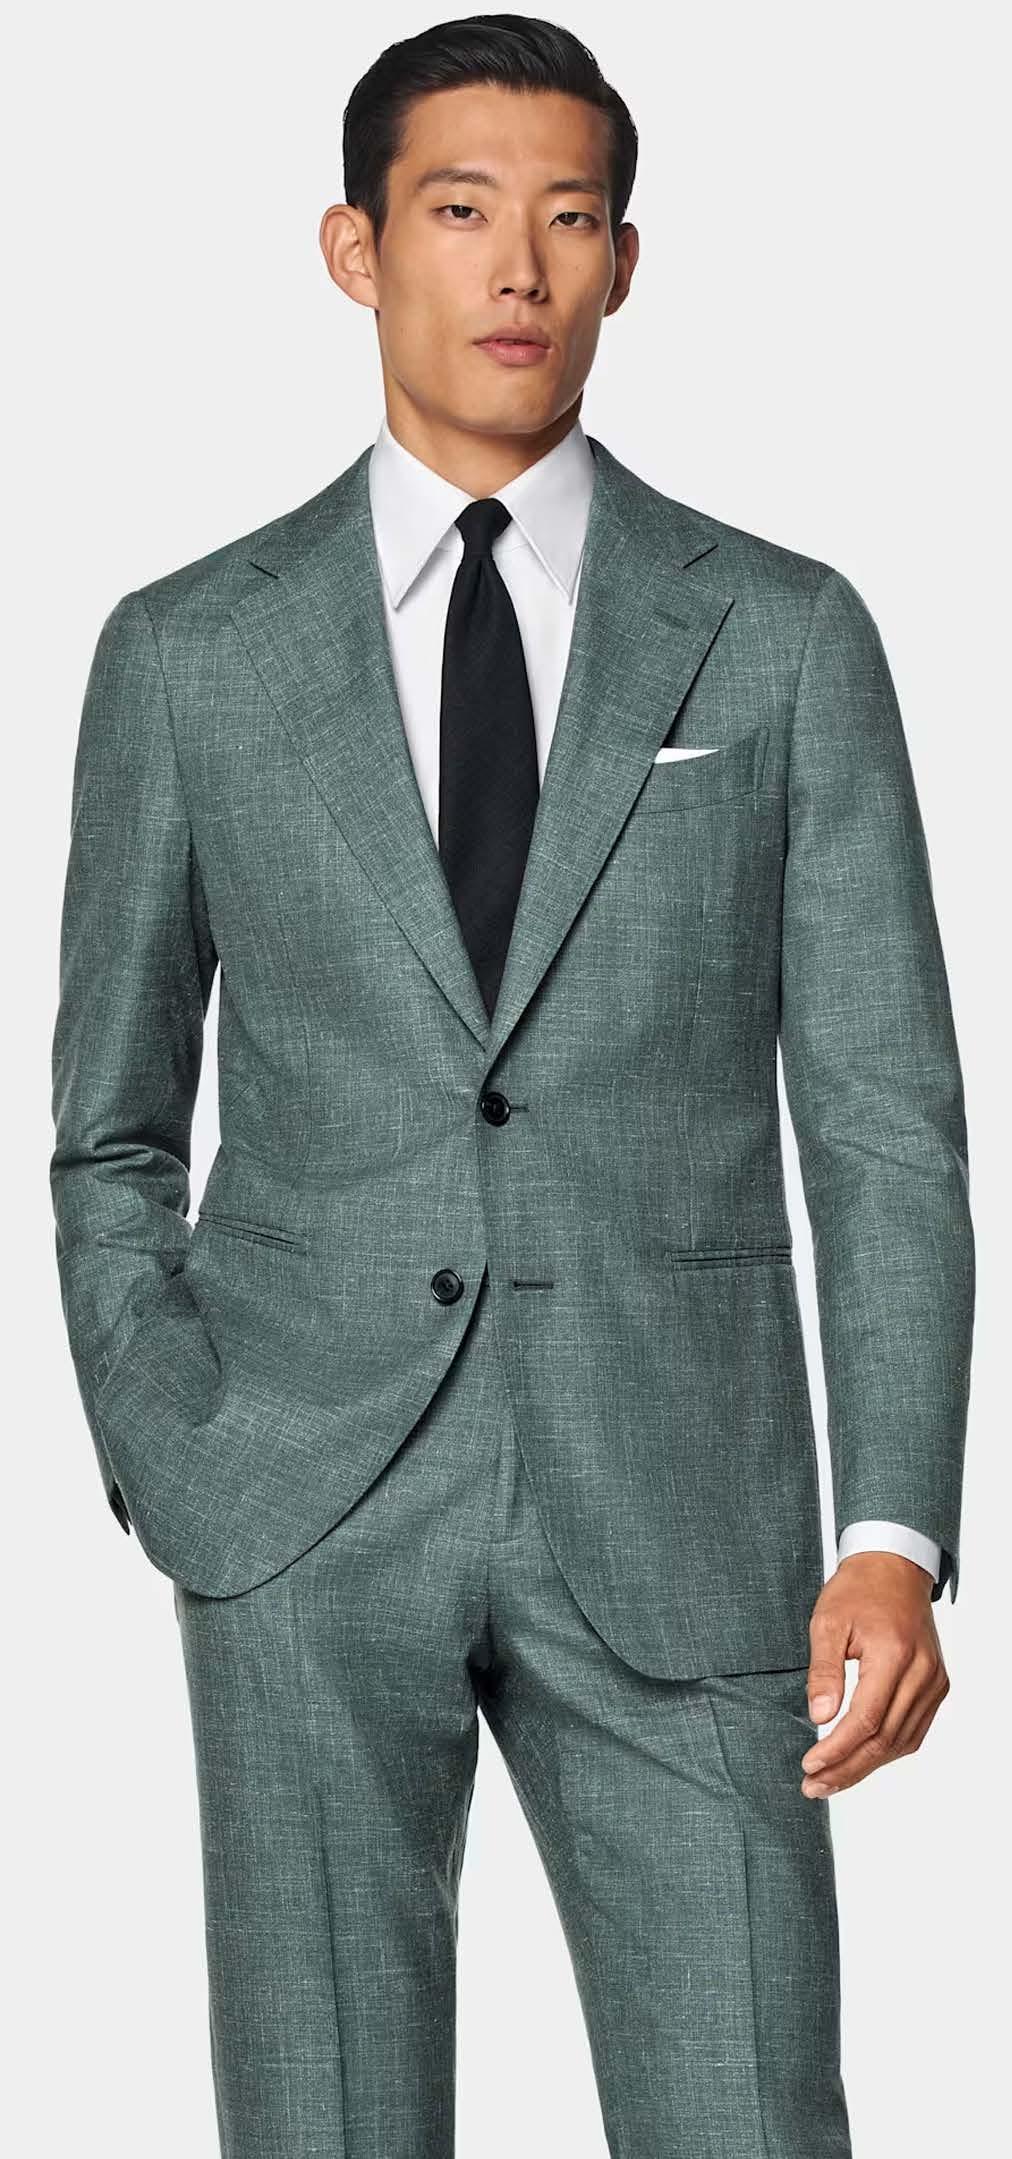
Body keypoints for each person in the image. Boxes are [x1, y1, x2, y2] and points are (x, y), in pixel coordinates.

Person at [49, 15, 974, 2155]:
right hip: (296, 1509)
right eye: (461, 210)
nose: (518, 268)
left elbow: (881, 1122)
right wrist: (178, 1452)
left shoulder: (781, 634)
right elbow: (110, 1127)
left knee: (750, 2115)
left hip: (688, 1512)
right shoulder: (186, 655)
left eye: (569, 218)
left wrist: (893, 1533)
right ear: (353, 248)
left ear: (626, 262)